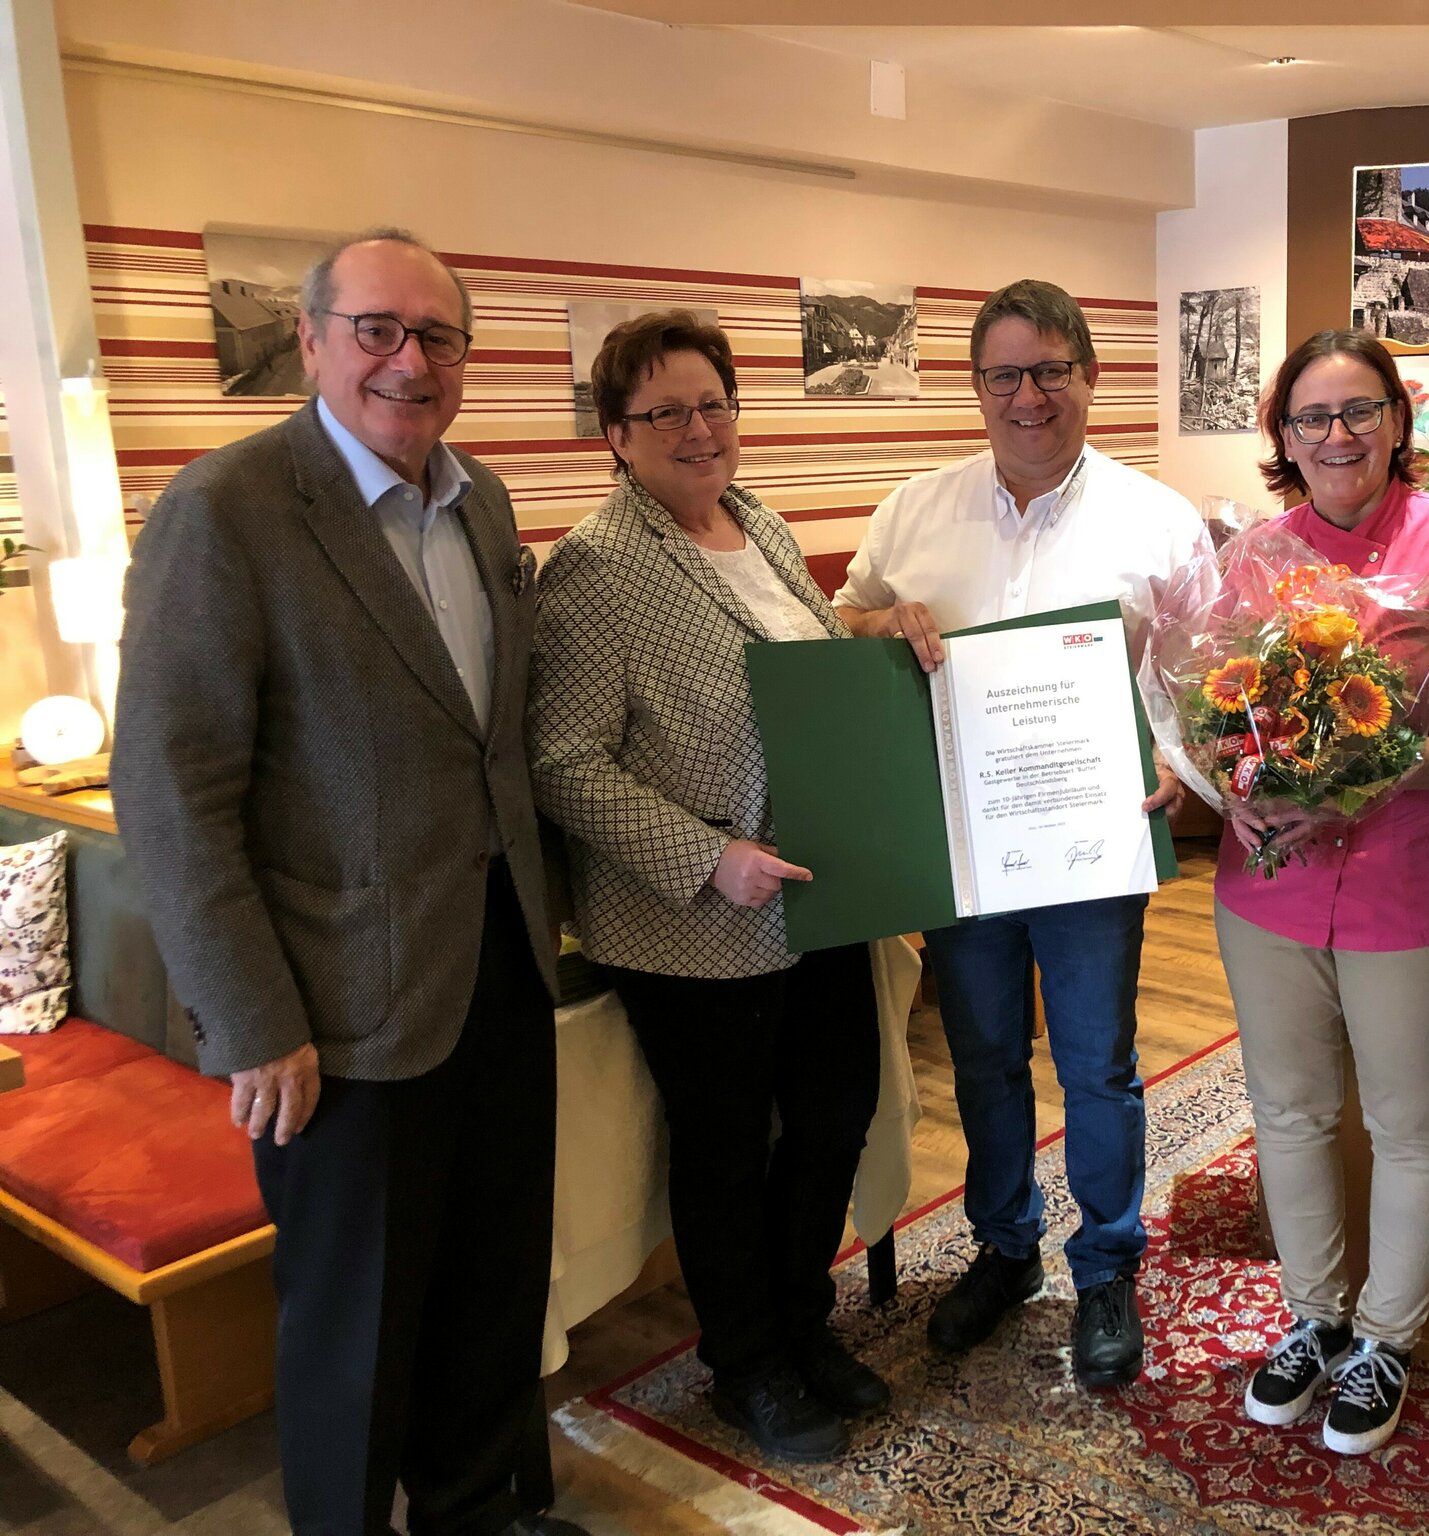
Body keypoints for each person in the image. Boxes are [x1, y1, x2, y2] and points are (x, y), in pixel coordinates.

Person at [113, 230, 582, 1536]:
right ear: (312, 340)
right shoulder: (228, 511)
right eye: (376, 329)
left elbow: (495, 739)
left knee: (490, 1286)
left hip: (497, 967)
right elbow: (169, 792)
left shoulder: (478, 502)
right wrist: (253, 1020)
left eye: (437, 336)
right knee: (356, 1327)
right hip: (334, 1016)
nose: (407, 360)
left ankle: (476, 1508)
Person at [833, 279, 1206, 1389]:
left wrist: (1179, 769)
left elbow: (1204, 677)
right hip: (963, 845)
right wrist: (878, 622)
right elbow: (843, 620)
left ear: (1088, 377)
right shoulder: (914, 509)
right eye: (1004, 374)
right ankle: (1004, 1250)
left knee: (1096, 1064)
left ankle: (1103, 1268)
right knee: (986, 1058)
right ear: (977, 387)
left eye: (1050, 370)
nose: (1028, 396)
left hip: (1092, 840)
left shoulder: (1155, 519)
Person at [526, 311, 882, 1464]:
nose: (697, 429)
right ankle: (747, 1365)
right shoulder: (597, 566)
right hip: (692, 922)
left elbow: (818, 670)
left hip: (816, 889)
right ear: (614, 437)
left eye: (713, 403)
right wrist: (703, 856)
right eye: (664, 412)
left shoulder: (761, 524)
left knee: (832, 1113)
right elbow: (561, 761)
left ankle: (798, 1319)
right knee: (727, 1151)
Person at [1215, 331, 1429, 1455]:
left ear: (1397, 418)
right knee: (1286, 1113)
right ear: (1280, 437)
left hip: (1410, 886)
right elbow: (1221, 721)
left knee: (1412, 1121)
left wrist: (1367, 770)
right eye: (1310, 418)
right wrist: (1229, 782)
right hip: (1268, 886)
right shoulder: (1249, 558)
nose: (1335, 436)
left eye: (1358, 412)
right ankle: (1313, 1318)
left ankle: (1384, 1338)